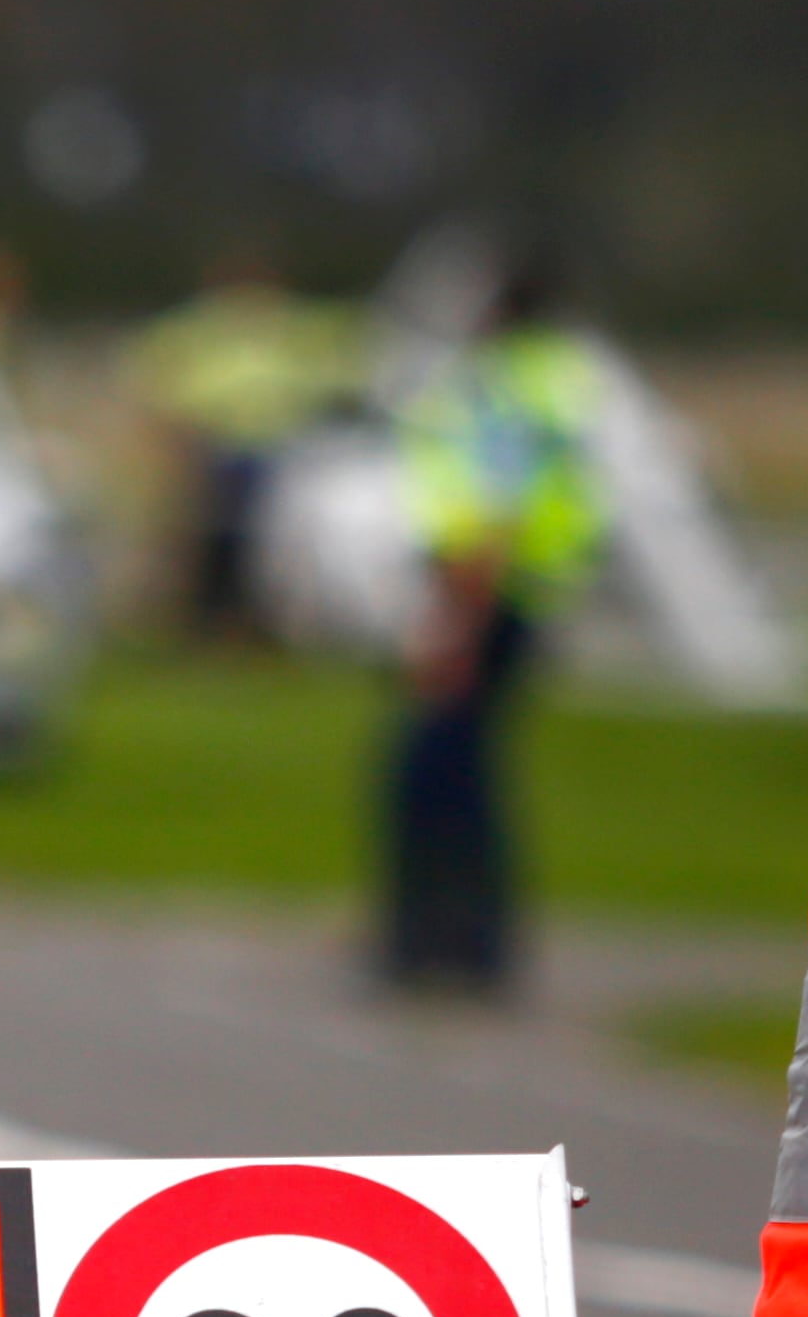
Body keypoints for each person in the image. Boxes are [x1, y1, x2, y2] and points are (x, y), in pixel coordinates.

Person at [380, 249, 607, 996]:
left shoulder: (499, 385)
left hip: (487, 597)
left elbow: (494, 506)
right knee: (468, 768)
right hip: (524, 593)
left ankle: (437, 942)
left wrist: (457, 625)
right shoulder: (554, 376)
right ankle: (468, 944)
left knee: (432, 775)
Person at [128, 266, 369, 637]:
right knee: (215, 538)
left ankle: (264, 619)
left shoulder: (297, 331)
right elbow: (166, 394)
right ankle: (213, 617)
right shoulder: (196, 332)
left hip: (280, 455)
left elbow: (340, 375)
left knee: (272, 542)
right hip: (214, 453)